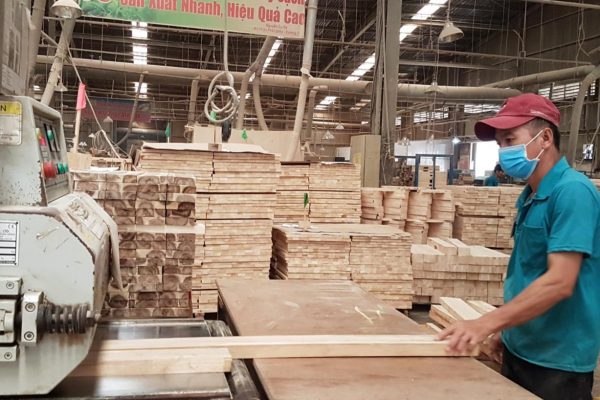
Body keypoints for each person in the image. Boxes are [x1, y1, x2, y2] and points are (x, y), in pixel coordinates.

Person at [438, 93, 600, 400]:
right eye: (500, 144)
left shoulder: (572, 193)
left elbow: (559, 282)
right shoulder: (530, 196)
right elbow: (530, 273)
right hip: (521, 347)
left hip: (556, 361)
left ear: (546, 138)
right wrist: (509, 330)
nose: (504, 151)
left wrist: (486, 322)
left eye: (510, 140)